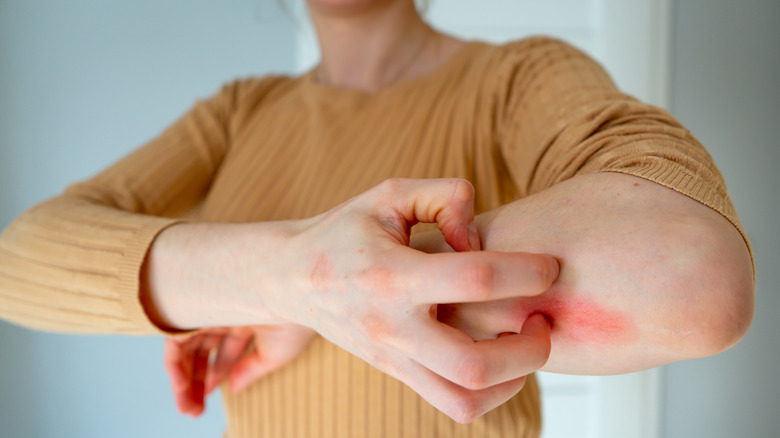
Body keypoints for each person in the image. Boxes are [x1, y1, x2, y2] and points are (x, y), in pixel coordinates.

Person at [0, 0, 755, 437]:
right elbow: (19, 264)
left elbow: (691, 271)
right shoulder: (239, 111)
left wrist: (320, 294)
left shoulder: (520, 76)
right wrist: (291, 283)